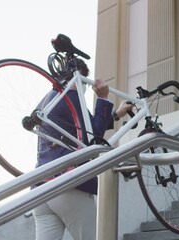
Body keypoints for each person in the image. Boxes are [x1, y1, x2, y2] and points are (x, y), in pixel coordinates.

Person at [25, 59, 132, 240]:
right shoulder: (71, 97)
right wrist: (103, 99)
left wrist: (116, 114)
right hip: (70, 185)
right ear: (77, 75)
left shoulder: (46, 100)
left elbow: (78, 130)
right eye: (84, 80)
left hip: (41, 188)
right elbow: (92, 135)